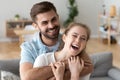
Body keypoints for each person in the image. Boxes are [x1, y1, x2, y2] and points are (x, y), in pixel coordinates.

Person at [19, 1, 93, 80]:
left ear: (58, 17)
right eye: (45, 23)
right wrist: (66, 64)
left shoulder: (70, 41)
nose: (51, 25)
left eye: (53, 19)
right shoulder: (29, 48)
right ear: (36, 26)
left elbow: (88, 67)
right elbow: (26, 78)